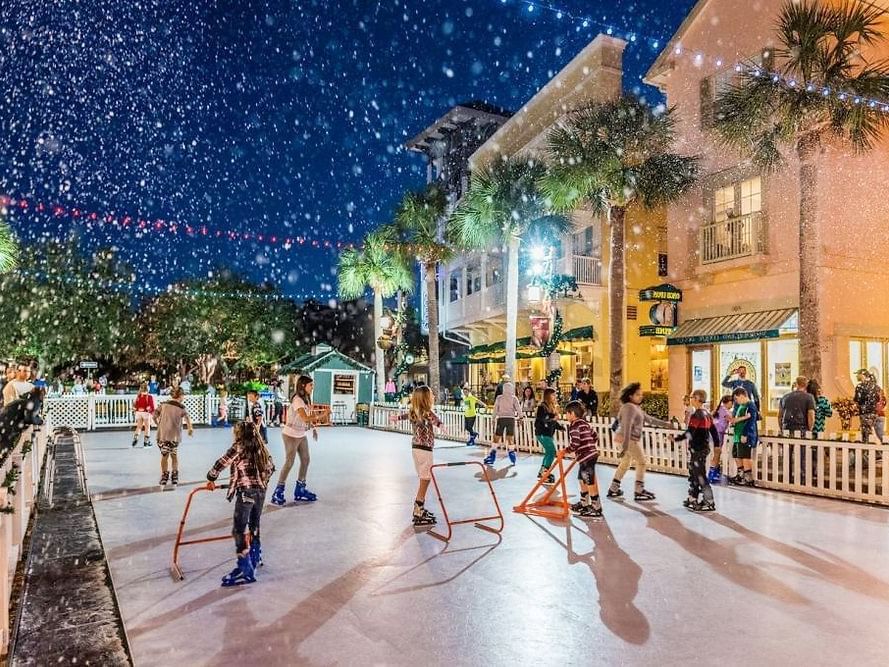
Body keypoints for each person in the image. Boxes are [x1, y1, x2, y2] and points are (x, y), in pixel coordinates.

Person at [207, 421, 275, 587]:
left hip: (246, 493)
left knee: (239, 529)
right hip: (260, 492)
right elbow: (271, 468)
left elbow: (221, 463)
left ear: (239, 434)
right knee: (254, 525)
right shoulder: (262, 448)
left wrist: (211, 477)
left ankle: (245, 568)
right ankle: (255, 554)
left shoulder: (238, 446)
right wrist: (260, 481)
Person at [607, 382, 673, 501]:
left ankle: (613, 488)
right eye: (638, 394)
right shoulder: (629, 407)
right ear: (630, 396)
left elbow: (649, 419)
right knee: (642, 462)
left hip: (626, 439)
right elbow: (626, 427)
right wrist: (626, 446)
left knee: (625, 463)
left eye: (641, 394)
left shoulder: (635, 407)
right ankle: (639, 490)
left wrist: (666, 424)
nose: (641, 396)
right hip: (628, 439)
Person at [390, 386, 442, 526]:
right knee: (425, 479)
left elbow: (406, 416)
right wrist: (441, 425)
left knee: (424, 478)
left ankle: (420, 507)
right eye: (431, 395)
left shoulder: (414, 411)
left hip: (416, 448)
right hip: (425, 449)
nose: (433, 397)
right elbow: (436, 421)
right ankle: (418, 508)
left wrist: (397, 418)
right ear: (426, 398)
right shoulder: (427, 412)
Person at [271, 375, 319, 505]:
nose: (312, 387)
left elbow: (308, 415)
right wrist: (323, 416)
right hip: (290, 434)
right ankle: (278, 491)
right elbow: (304, 417)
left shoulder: (306, 399)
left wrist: (313, 427)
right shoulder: (297, 399)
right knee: (289, 462)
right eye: (310, 385)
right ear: (303, 385)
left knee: (305, 459)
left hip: (301, 433)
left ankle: (300, 489)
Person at [673, 390, 719, 512]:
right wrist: (717, 446)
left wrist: (676, 439)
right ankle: (692, 498)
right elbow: (714, 432)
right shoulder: (707, 414)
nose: (691, 399)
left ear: (697, 398)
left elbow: (690, 432)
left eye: (692, 397)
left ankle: (709, 501)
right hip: (703, 448)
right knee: (694, 473)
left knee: (700, 475)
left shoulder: (697, 415)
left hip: (698, 449)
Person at [563, 400, 602, 517]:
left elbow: (575, 443)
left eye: (567, 413)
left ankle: (596, 506)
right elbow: (595, 436)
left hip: (586, 457)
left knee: (589, 481)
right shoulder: (585, 423)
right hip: (589, 456)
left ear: (572, 414)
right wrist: (589, 445)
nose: (566, 416)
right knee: (582, 479)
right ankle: (584, 503)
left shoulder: (574, 426)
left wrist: (566, 451)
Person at [153, 387, 193, 486]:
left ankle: (165, 474)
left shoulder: (164, 404)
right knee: (173, 455)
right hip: (174, 436)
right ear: (181, 396)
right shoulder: (181, 407)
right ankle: (174, 474)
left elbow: (154, 415)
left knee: (164, 455)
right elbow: (187, 418)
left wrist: (159, 425)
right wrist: (190, 429)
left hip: (162, 435)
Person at [484, 380, 522, 467]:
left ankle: (492, 454)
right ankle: (512, 454)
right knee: (510, 437)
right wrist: (521, 417)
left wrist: (493, 418)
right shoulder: (514, 398)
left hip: (501, 419)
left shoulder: (499, 398)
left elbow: (495, 409)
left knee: (497, 436)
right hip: (511, 419)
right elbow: (518, 408)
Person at [728, 387, 758, 486]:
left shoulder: (751, 405)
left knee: (745, 455)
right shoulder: (741, 406)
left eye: (736, 399)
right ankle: (740, 475)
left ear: (742, 395)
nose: (736, 401)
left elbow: (751, 421)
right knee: (737, 455)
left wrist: (745, 434)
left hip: (744, 434)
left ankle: (748, 478)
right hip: (737, 434)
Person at [534, 388, 564, 483]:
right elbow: (543, 418)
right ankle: (545, 472)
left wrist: (560, 427)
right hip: (542, 432)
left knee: (548, 452)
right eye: (553, 395)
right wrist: (552, 417)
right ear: (548, 396)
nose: (555, 397)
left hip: (548, 433)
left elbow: (553, 421)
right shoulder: (542, 406)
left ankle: (542, 471)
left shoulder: (552, 407)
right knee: (551, 451)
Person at [708, 395, 733, 483]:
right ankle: (711, 474)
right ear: (728, 402)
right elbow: (732, 420)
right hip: (718, 433)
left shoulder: (719, 409)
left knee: (717, 452)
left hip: (715, 432)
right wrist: (746, 417)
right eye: (731, 402)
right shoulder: (725, 411)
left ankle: (715, 472)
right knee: (717, 453)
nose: (732, 405)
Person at [854, 369, 881, 444]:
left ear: (862, 375)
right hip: (873, 413)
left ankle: (873, 450)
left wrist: (860, 405)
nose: (856, 376)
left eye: (858, 374)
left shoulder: (860, 387)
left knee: (866, 433)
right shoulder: (876, 386)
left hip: (864, 412)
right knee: (870, 430)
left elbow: (857, 399)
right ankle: (873, 450)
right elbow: (878, 399)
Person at [132, 383, 155, 448]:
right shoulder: (149, 397)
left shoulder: (139, 396)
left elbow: (136, 405)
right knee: (147, 427)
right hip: (146, 413)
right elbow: (152, 407)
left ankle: (135, 438)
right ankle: (146, 442)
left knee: (139, 426)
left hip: (138, 412)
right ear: (148, 389)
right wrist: (152, 413)